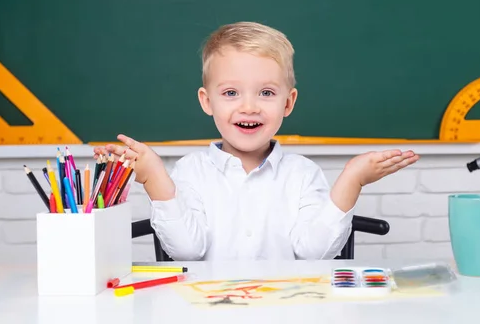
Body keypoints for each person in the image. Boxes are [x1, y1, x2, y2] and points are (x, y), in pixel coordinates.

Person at [93, 21, 419, 260]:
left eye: (266, 93)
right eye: (231, 93)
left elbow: (315, 253)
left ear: (288, 103)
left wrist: (352, 179)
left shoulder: (302, 174)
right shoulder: (190, 171)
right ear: (207, 102)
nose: (248, 106)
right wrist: (153, 177)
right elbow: (187, 251)